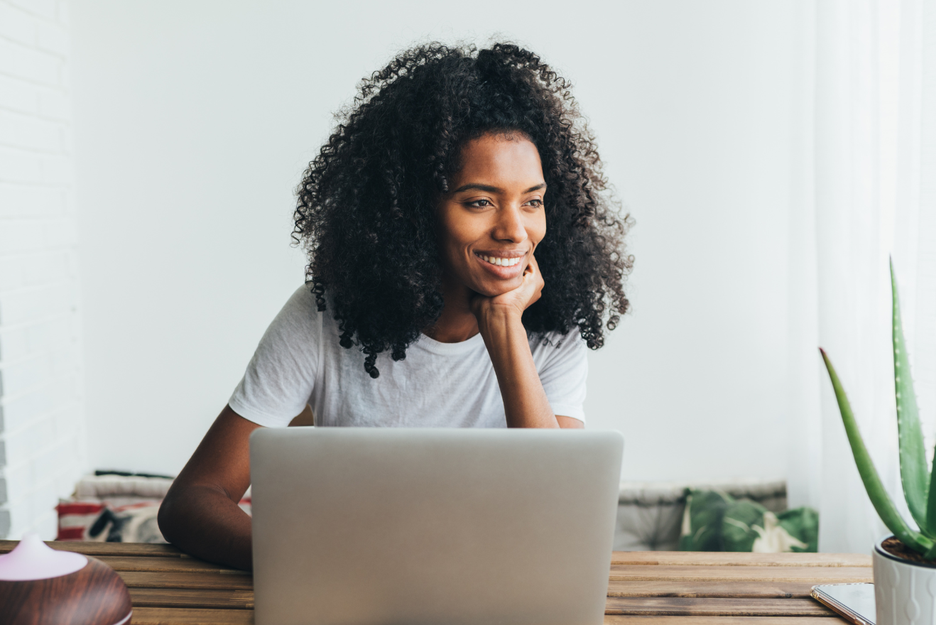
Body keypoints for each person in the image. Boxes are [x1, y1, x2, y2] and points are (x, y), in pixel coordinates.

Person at [156, 42, 633, 570]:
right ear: (413, 209)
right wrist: (313, 564)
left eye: (533, 201)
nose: (515, 231)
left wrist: (505, 331)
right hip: (348, 587)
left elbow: (562, 521)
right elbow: (191, 501)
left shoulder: (551, 329)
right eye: (479, 201)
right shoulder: (325, 316)